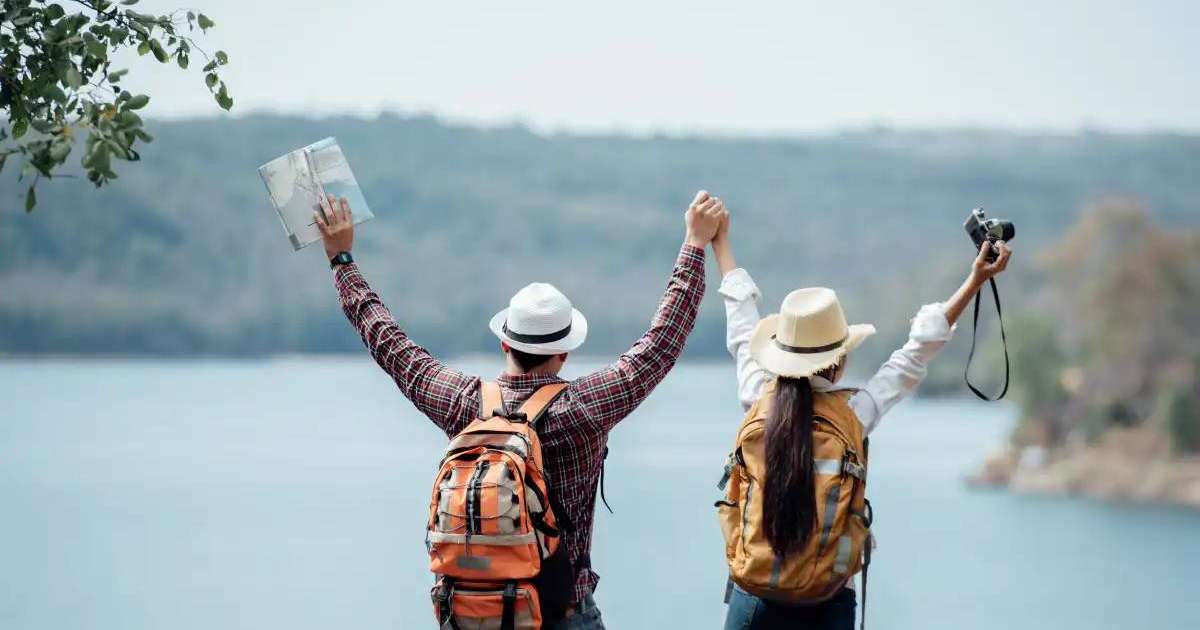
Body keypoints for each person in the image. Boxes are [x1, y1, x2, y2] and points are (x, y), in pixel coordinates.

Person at [314, 191, 728, 629]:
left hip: (477, 615)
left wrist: (342, 260)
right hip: (562, 613)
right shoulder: (581, 410)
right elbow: (659, 345)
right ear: (564, 354)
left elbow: (390, 344)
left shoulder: (465, 404)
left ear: (504, 343)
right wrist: (694, 245)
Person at [711, 211, 1012, 630]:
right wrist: (976, 279)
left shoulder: (757, 396)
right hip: (827, 600)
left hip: (754, 600)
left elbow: (742, 323)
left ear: (780, 353)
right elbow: (917, 351)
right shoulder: (854, 414)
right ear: (840, 361)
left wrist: (720, 242)